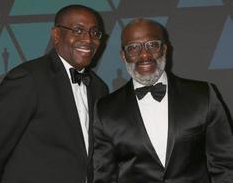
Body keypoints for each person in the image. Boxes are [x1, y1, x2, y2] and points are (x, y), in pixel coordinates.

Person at [93, 18, 233, 183]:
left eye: (152, 45)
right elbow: (103, 177)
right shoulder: (105, 110)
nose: (144, 55)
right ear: (123, 56)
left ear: (164, 49)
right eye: (133, 48)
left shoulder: (203, 95)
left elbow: (225, 164)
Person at [0, 4, 108, 183]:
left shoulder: (99, 87)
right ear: (57, 35)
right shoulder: (29, 78)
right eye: (78, 30)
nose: (88, 39)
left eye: (94, 33)